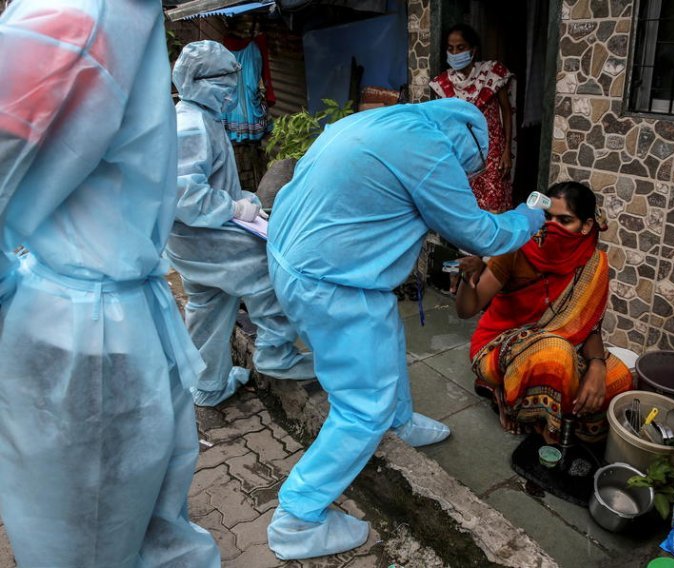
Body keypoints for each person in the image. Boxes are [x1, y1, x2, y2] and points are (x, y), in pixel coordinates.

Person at [264, 98, 546, 560]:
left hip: (299, 260)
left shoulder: (380, 120)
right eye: (466, 165)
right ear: (467, 138)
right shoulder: (430, 147)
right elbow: (480, 234)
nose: (463, 173)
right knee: (360, 407)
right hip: (332, 283)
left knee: (387, 337)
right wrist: (531, 216)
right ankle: (297, 518)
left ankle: (400, 421)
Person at [0, 2, 220, 566]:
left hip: (113, 316)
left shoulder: (123, 14)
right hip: (81, 336)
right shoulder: (81, 14)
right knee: (86, 539)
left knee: (140, 515)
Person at [166, 41, 315, 408]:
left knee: (209, 307)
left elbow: (206, 182)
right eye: (228, 80)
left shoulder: (199, 117)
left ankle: (209, 385)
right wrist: (234, 207)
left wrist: (240, 198)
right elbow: (183, 194)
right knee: (269, 273)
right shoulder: (192, 125)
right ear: (202, 80)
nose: (235, 89)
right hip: (205, 237)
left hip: (191, 240)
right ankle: (275, 353)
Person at [455, 182, 634, 441]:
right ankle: (505, 392)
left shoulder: (594, 264)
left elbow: (590, 328)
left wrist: (597, 365)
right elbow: (466, 310)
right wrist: (467, 279)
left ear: (585, 226)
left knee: (619, 379)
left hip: (557, 346)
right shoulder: (516, 249)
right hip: (497, 347)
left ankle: (559, 410)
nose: (552, 227)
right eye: (547, 217)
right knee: (555, 355)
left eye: (564, 220)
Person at [430, 24, 516, 213]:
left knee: (494, 206)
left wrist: (506, 151)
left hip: (493, 153)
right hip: (462, 155)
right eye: (450, 48)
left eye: (461, 47)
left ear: (473, 50)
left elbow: (506, 113)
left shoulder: (492, 74)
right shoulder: (443, 83)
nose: (455, 53)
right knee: (466, 207)